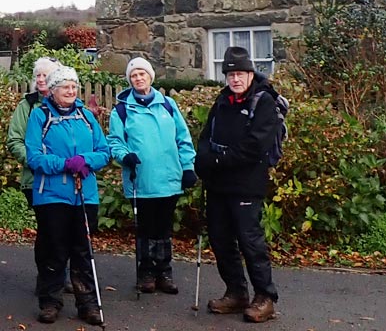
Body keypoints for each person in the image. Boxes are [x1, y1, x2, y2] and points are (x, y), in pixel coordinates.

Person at [195, 46, 279, 323]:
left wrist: (217, 162)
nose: (235, 79)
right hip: (218, 186)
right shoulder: (222, 102)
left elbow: (255, 146)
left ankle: (265, 297)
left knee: (250, 242)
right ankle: (236, 292)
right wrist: (202, 159)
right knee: (221, 241)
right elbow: (206, 136)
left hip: (246, 185)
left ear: (251, 74)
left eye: (240, 73)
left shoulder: (263, 101)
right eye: (230, 74)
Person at [25, 66, 110, 325]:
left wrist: (85, 159)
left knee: (83, 250)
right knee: (55, 249)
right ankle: (50, 301)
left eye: (74, 86)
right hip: (52, 195)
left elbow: (104, 151)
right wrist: (65, 164)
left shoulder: (85, 115)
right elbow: (34, 157)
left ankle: (88, 305)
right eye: (65, 87)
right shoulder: (40, 116)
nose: (71, 91)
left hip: (85, 194)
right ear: (53, 91)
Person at [107, 57, 197, 295]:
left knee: (164, 229)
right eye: (134, 75)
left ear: (150, 77)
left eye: (142, 74)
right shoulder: (122, 110)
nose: (138, 78)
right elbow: (115, 141)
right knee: (145, 229)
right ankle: (146, 272)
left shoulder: (168, 105)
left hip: (169, 179)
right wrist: (125, 156)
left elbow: (183, 138)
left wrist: (188, 167)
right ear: (129, 80)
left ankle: (164, 272)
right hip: (141, 179)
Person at [7, 56, 62, 206]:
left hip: (64, 179)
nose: (41, 79)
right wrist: (35, 162)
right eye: (38, 75)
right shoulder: (27, 106)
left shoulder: (66, 105)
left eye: (45, 75)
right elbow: (14, 140)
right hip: (34, 179)